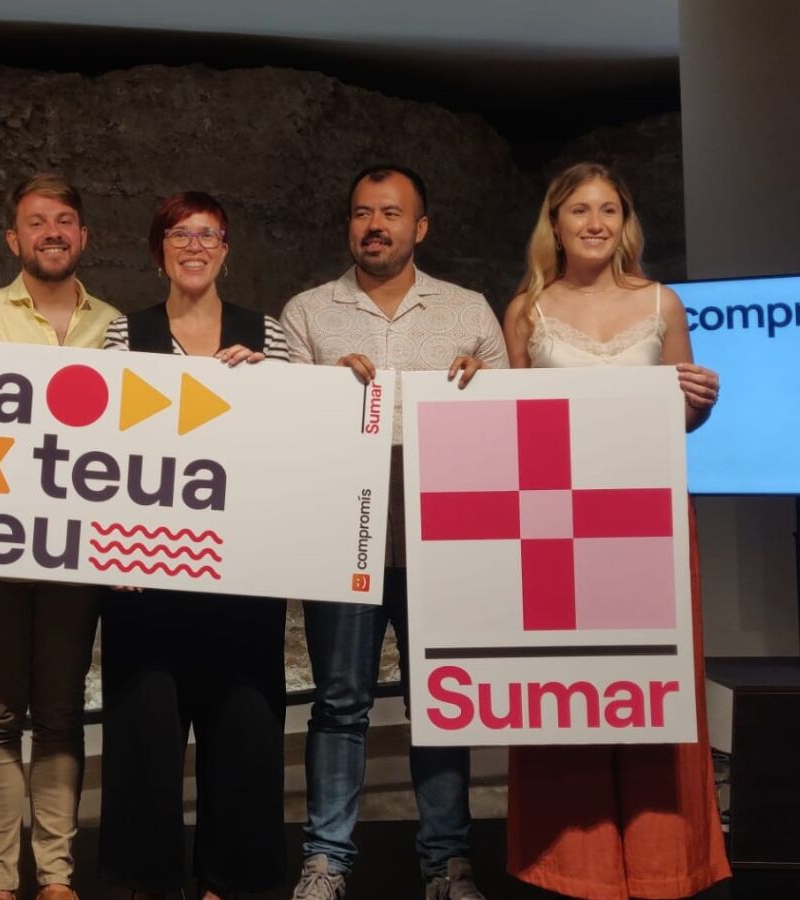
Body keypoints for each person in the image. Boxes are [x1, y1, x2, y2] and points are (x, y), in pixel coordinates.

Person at [500, 161, 729, 900]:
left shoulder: (662, 302)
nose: (594, 223)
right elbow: (508, 425)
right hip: (553, 523)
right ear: (555, 223)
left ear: (624, 222)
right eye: (579, 210)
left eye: (608, 209)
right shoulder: (526, 311)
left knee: (652, 687)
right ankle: (574, 863)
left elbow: (681, 415)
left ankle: (664, 861)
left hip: (647, 520)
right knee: (563, 687)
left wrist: (700, 401)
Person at [280, 165, 507, 900]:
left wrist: (486, 385)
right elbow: (283, 430)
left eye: (389, 213)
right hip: (343, 544)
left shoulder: (469, 311)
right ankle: (326, 861)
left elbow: (509, 429)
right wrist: (320, 393)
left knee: (439, 703)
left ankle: (447, 862)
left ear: (420, 227)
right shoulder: (307, 313)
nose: (373, 225)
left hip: (444, 543)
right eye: (360, 213)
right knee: (338, 705)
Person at [97, 191, 288, 900]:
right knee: (144, 734)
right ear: (159, 252)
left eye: (207, 234)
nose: (194, 246)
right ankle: (148, 880)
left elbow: (292, 439)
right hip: (148, 575)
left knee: (244, 729)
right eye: (178, 234)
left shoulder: (267, 335)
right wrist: (113, 550)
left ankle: (227, 881)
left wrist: (269, 384)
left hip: (243, 573)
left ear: (226, 249)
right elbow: (106, 447)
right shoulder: (126, 333)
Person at [0, 172, 119, 900]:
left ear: (83, 235)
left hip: (78, 547)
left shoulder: (117, 328)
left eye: (64, 220)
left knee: (60, 710)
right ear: (13, 239)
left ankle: (55, 877)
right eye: (36, 222)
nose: (52, 232)